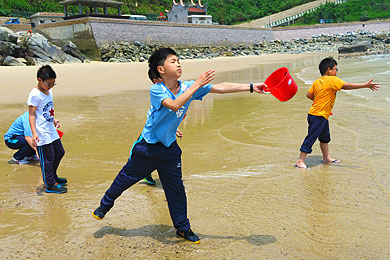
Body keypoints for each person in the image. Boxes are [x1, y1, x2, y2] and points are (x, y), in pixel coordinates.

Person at [92, 47, 266, 244]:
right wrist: (198, 84)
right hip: (147, 148)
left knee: (176, 190)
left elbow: (220, 88)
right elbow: (174, 105)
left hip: (169, 150)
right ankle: (105, 205)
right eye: (173, 61)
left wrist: (251, 86)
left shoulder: (187, 87)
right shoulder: (157, 89)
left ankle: (182, 228)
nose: (178, 63)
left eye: (178, 60)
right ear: (161, 69)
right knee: (125, 179)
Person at [295, 57, 380, 169]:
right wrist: (365, 85)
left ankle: (326, 158)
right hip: (318, 115)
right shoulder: (333, 80)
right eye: (336, 69)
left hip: (317, 114)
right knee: (311, 136)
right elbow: (346, 86)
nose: (336, 71)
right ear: (329, 70)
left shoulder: (317, 81)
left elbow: (309, 95)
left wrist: (320, 101)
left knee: (325, 137)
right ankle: (300, 160)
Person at [28, 65, 67, 194]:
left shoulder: (49, 91)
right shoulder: (34, 94)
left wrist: (53, 118)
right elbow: (32, 114)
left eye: (53, 84)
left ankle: (52, 176)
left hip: (51, 128)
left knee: (60, 152)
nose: (51, 86)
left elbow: (47, 109)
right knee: (48, 157)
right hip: (41, 131)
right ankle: (50, 184)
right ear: (40, 80)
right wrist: (34, 133)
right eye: (48, 84)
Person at [143, 69, 183, 185]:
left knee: (163, 154)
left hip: (162, 133)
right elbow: (156, 118)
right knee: (149, 155)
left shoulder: (169, 93)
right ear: (156, 81)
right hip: (151, 133)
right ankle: (145, 172)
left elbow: (168, 119)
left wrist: (175, 129)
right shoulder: (158, 93)